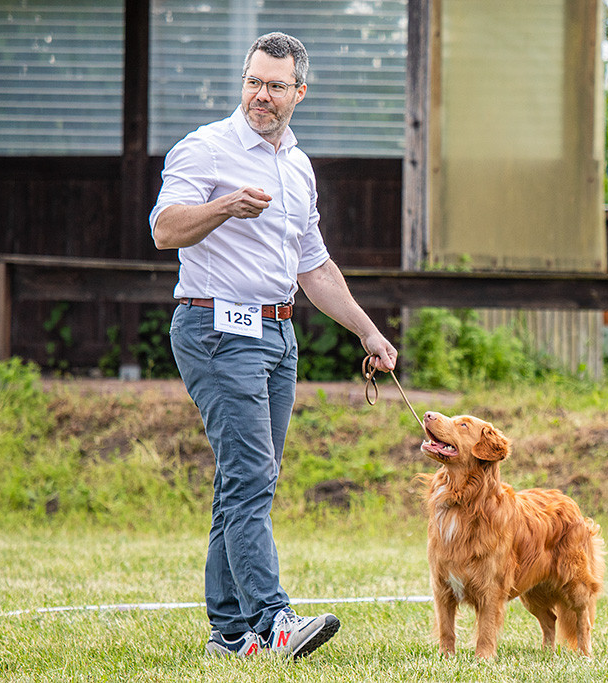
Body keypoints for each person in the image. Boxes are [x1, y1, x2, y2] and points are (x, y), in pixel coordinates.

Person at [149, 32, 397, 659]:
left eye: (275, 85)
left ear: (298, 92)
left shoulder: (297, 166)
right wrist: (226, 206)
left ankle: (229, 635)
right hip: (213, 327)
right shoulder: (206, 149)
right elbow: (164, 228)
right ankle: (273, 622)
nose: (261, 95)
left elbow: (315, 268)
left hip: (277, 333)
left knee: (244, 480)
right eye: (253, 81)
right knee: (252, 475)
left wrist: (367, 331)